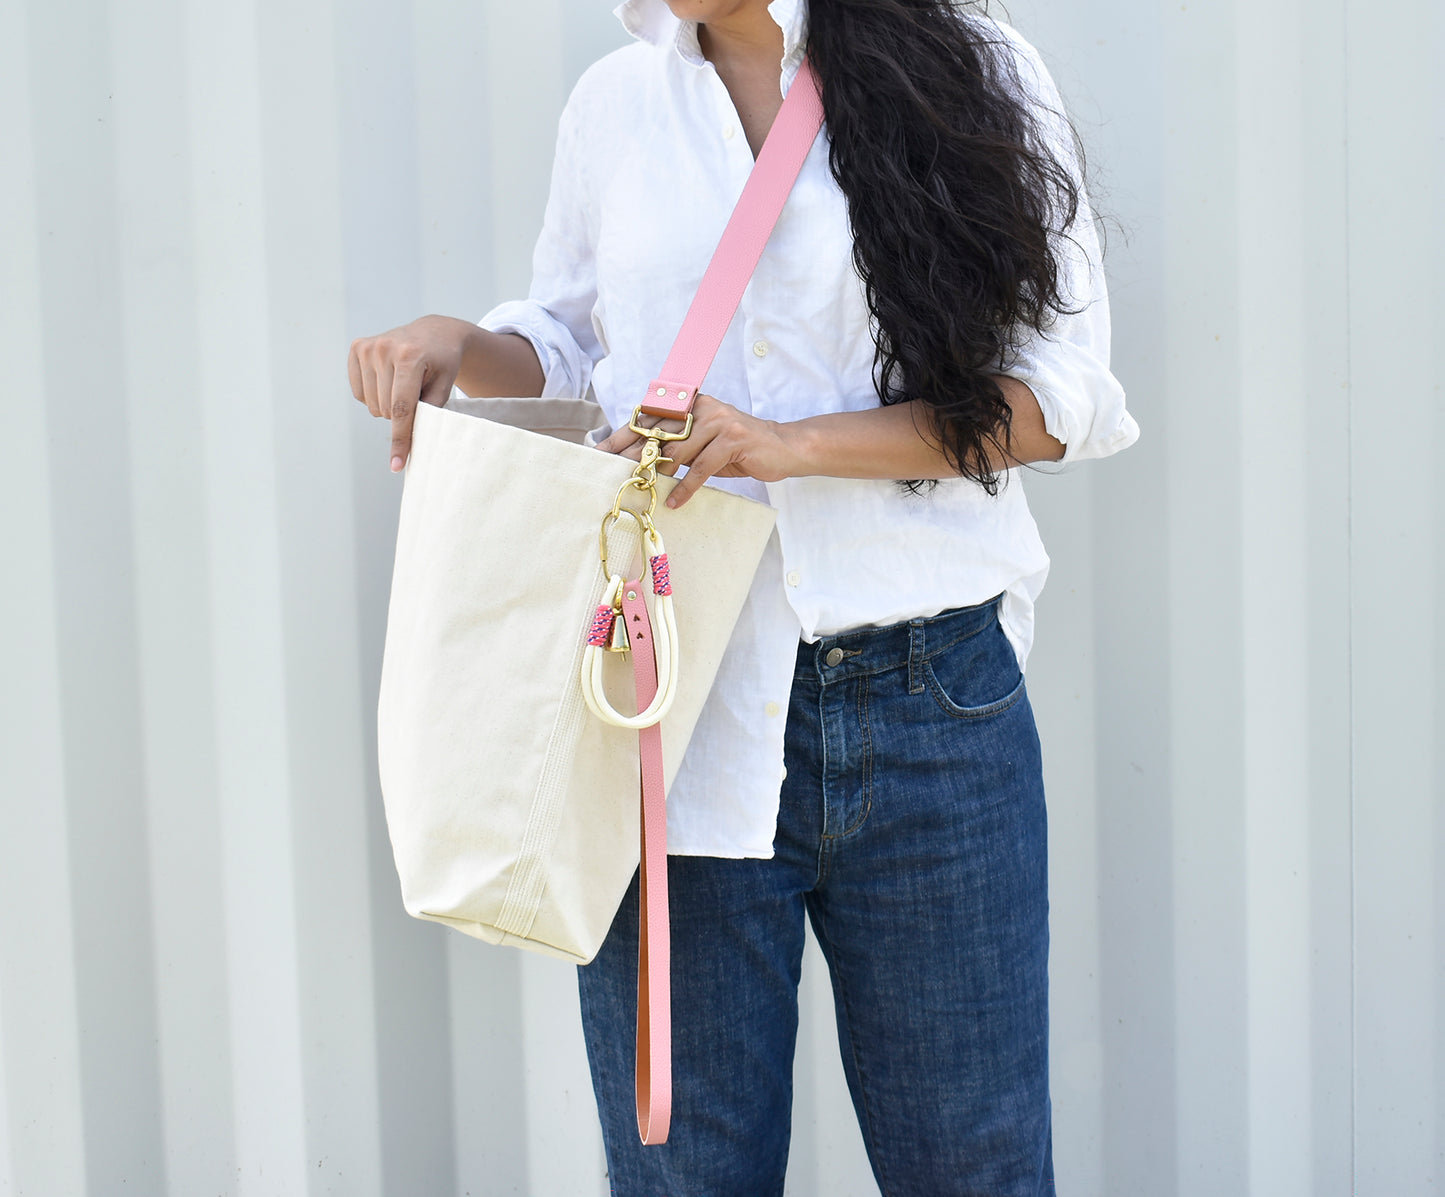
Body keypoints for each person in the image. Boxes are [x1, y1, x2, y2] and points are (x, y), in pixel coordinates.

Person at [349, 1, 1138, 1192]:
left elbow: (1054, 399)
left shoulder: (970, 65)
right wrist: (458, 345)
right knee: (684, 1176)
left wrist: (790, 445)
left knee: (975, 1170)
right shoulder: (616, 104)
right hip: (674, 708)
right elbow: (576, 343)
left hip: (930, 708)